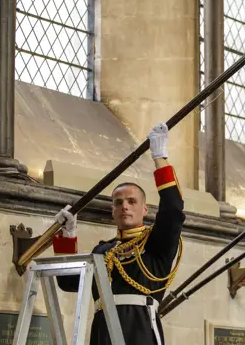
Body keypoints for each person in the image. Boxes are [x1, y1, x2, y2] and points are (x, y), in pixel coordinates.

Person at [52, 123, 185, 345]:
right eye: (118, 202)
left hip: (140, 330)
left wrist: (160, 157)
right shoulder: (103, 251)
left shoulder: (155, 245)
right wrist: (68, 234)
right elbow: (67, 282)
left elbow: (173, 208)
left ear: (145, 210)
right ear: (112, 211)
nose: (125, 207)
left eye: (132, 202)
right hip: (103, 332)